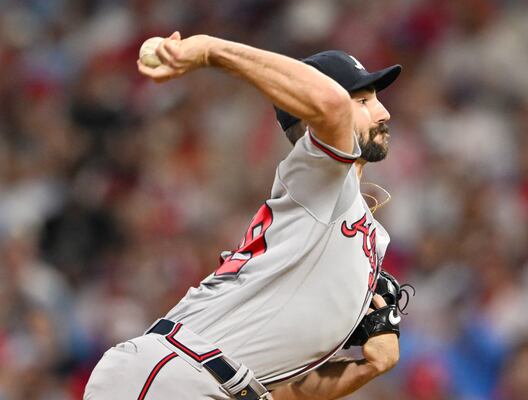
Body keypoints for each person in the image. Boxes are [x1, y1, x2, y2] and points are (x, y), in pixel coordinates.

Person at [84, 31, 406, 400]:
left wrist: (373, 365)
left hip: (215, 384)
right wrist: (209, 50)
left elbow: (292, 392)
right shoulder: (322, 182)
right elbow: (331, 105)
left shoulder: (353, 231)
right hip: (178, 371)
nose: (383, 112)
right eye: (363, 101)